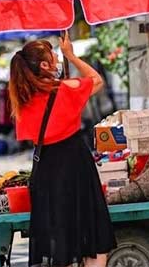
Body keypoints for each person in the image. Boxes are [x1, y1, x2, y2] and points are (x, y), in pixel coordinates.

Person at [10, 35, 115, 267]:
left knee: (61, 242)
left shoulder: (23, 101)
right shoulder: (66, 89)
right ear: (44, 65)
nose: (57, 56)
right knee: (93, 237)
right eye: (53, 55)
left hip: (46, 171)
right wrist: (71, 55)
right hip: (76, 165)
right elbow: (96, 80)